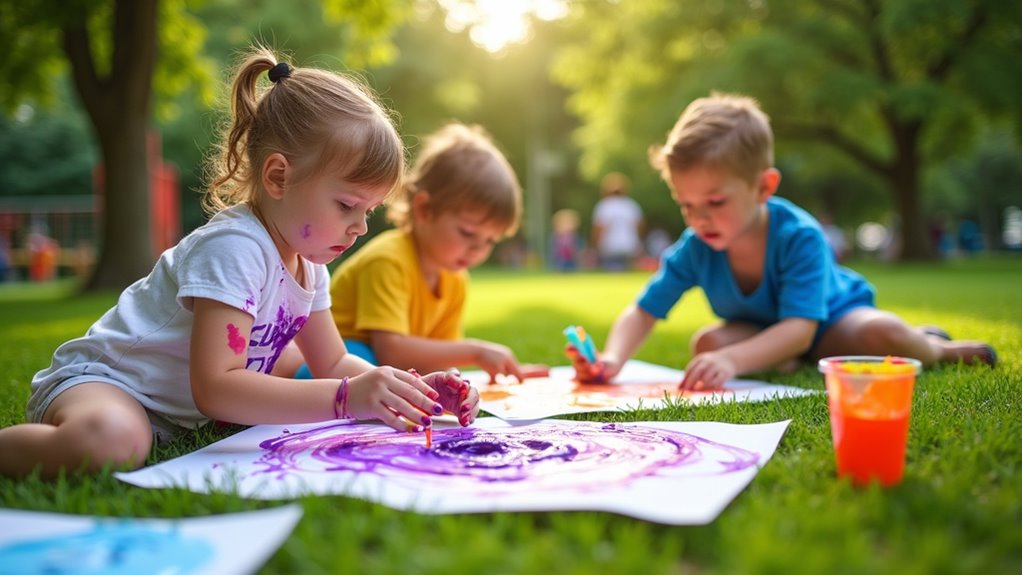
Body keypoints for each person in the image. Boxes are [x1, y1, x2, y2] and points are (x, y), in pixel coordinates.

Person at [0, 47, 478, 480]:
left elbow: (332, 362)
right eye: (347, 205)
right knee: (112, 441)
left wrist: (411, 393)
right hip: (105, 385)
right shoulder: (235, 247)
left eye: (368, 211)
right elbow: (217, 388)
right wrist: (345, 398)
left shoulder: (309, 265)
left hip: (165, 416)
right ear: (278, 177)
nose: (360, 228)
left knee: (132, 437)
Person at [570, 93, 997, 390]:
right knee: (708, 344)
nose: (699, 218)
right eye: (686, 205)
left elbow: (799, 328)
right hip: (765, 333)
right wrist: (612, 359)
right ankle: (782, 362)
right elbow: (644, 312)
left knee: (885, 333)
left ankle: (938, 349)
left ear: (763, 188)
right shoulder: (695, 245)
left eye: (715, 201)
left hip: (831, 324)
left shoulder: (799, 236)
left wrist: (736, 360)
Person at [311, 123, 535, 382]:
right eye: (468, 233)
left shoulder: (455, 278)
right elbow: (391, 351)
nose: (478, 250)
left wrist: (453, 381)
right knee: (363, 357)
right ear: (424, 210)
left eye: (490, 241)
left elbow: (439, 355)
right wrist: (475, 352)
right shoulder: (389, 259)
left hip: (384, 368)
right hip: (336, 359)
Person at [591, 172, 644, 271]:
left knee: (612, 273)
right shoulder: (631, 205)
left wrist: (594, 246)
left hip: (609, 246)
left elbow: (599, 229)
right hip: (629, 245)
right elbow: (639, 227)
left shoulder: (604, 206)